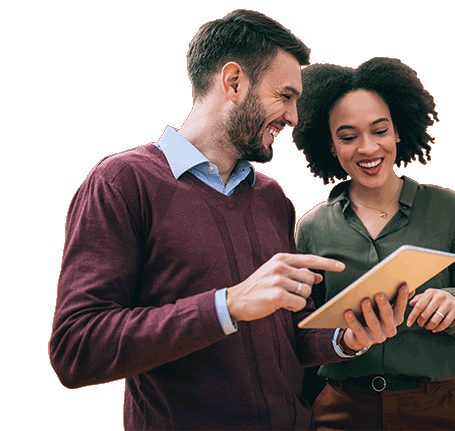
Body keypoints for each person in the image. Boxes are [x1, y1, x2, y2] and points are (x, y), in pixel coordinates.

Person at [50, 12, 412, 431]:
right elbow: (77, 348)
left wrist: (347, 338)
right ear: (234, 82)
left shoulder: (272, 198)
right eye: (285, 96)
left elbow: (288, 331)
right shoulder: (122, 183)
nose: (294, 117)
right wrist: (228, 304)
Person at [293, 58, 455, 430]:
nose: (368, 149)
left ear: (398, 131)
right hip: (341, 410)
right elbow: (301, 337)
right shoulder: (311, 228)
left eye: (380, 130)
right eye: (348, 137)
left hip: (434, 410)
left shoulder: (447, 209)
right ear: (332, 146)